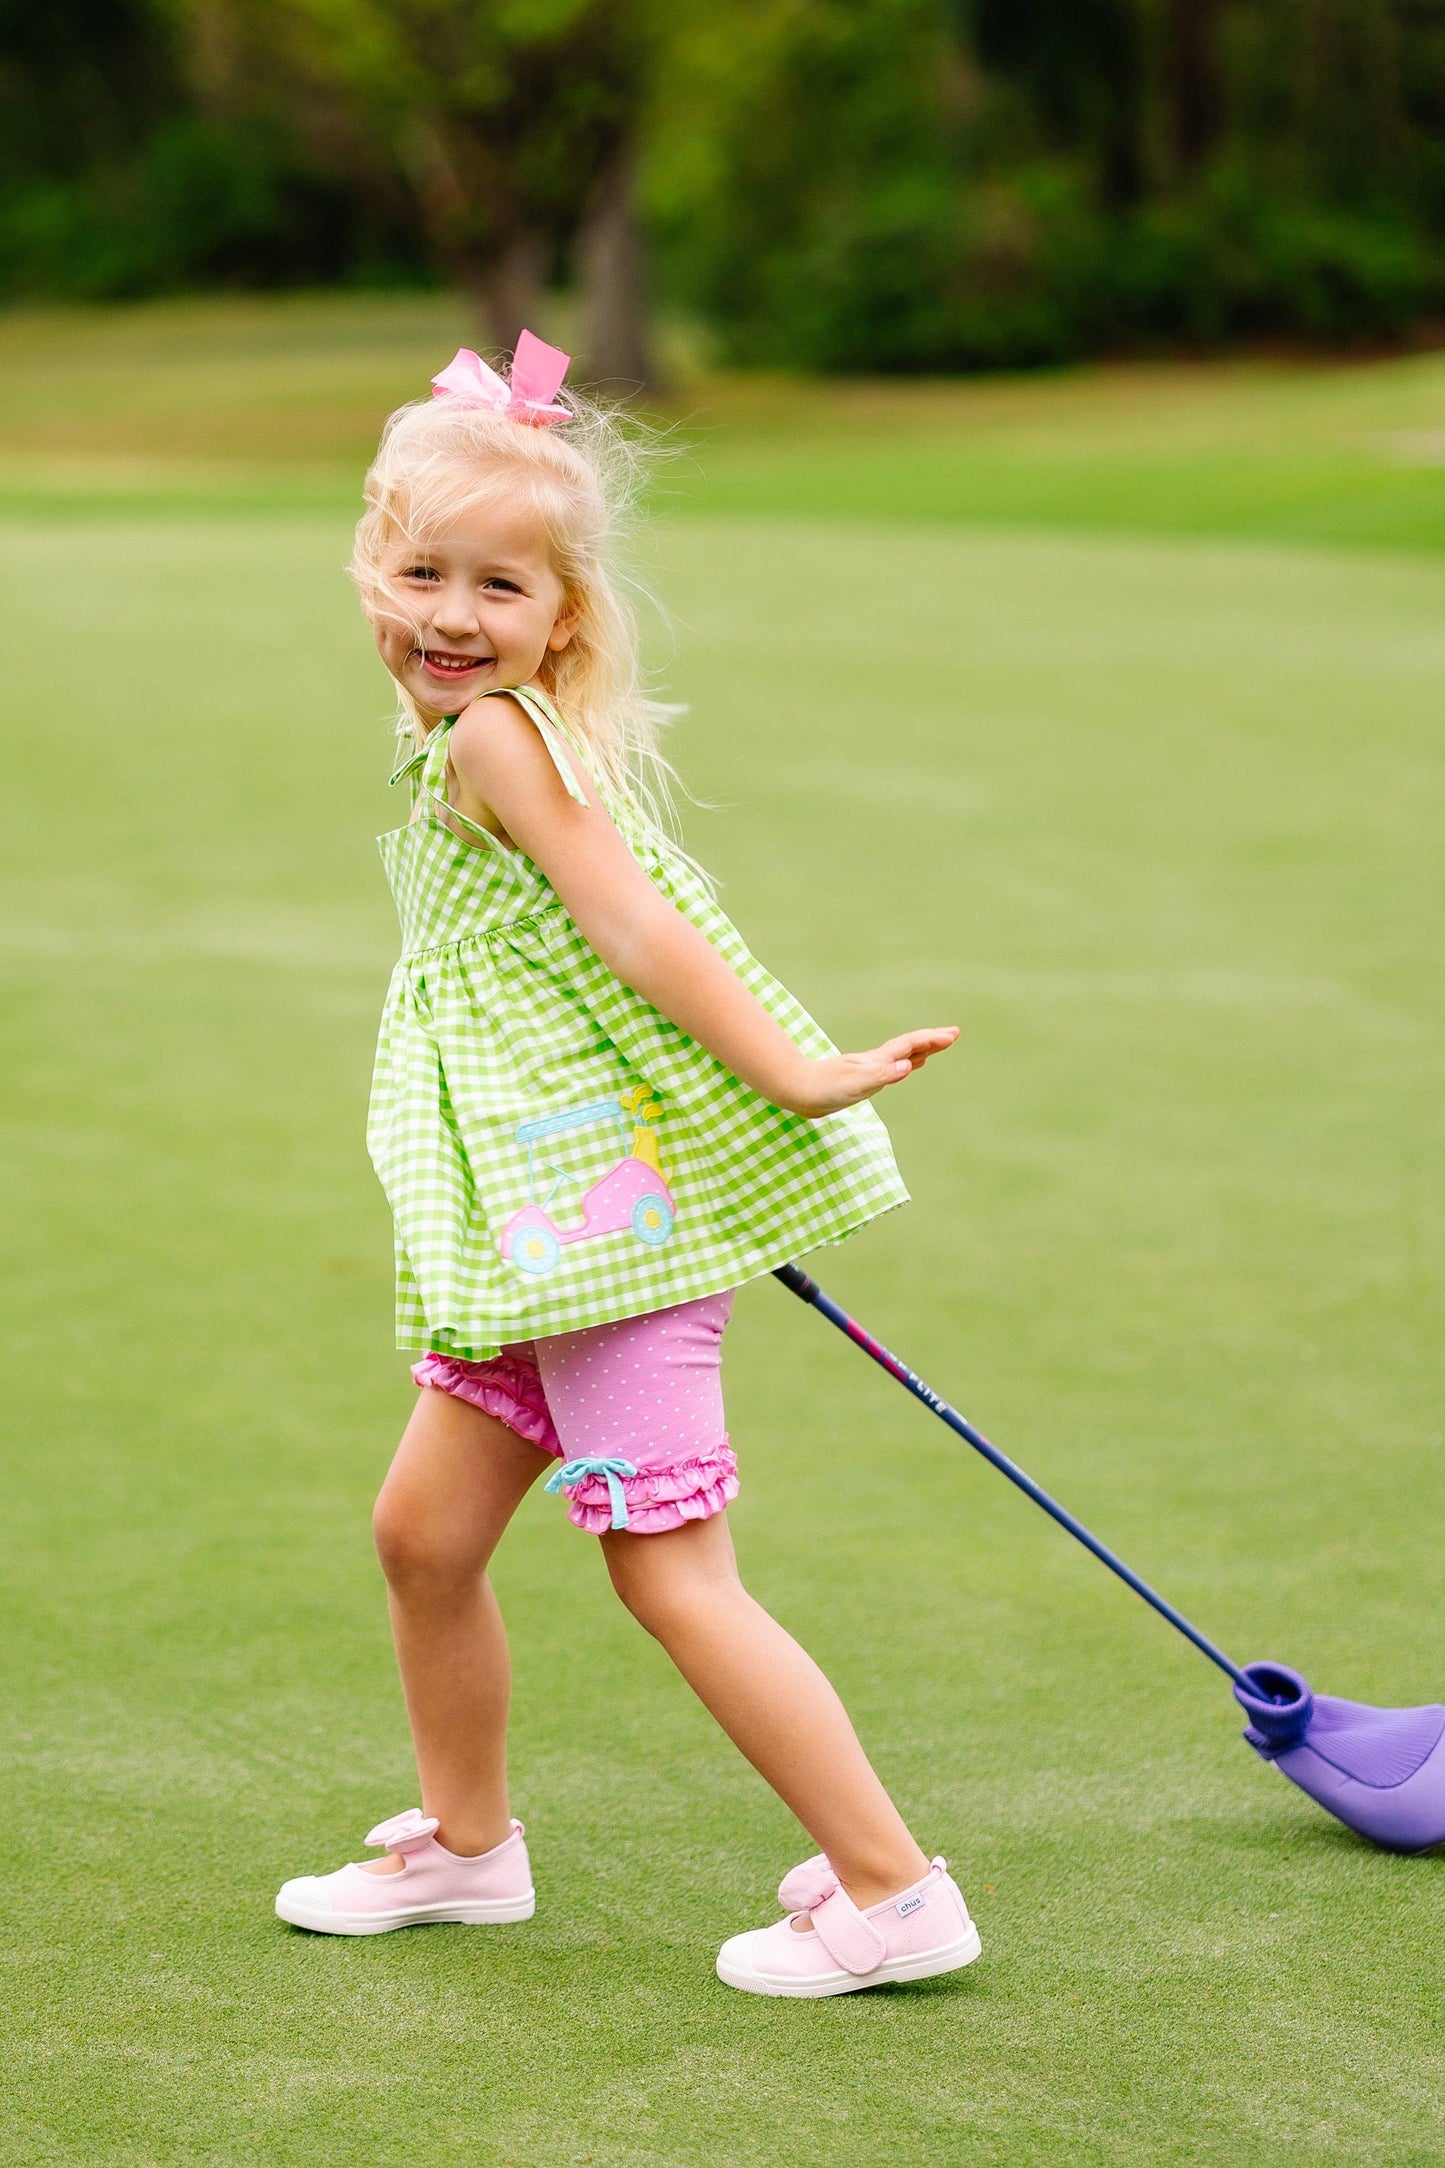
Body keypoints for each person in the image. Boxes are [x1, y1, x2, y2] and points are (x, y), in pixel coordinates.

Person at [274, 334, 981, 1997]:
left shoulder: (497, 746)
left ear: (559, 618)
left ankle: (892, 1893)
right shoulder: (464, 736)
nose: (451, 613)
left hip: (606, 1247)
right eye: (420, 570)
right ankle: (467, 1850)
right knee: (423, 1538)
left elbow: (637, 928)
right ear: (372, 566)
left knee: (672, 1575)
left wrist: (796, 1074)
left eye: (498, 585)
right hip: (536, 1242)